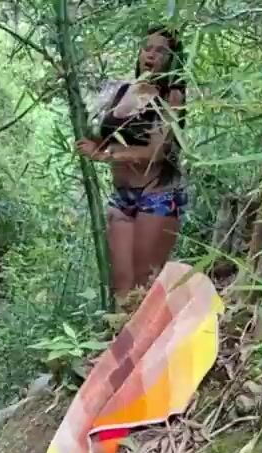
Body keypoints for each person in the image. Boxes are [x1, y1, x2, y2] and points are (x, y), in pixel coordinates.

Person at [76, 27, 187, 303]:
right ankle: (122, 332)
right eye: (147, 48)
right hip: (121, 196)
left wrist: (106, 155)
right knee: (121, 287)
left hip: (157, 195)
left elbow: (156, 152)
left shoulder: (171, 97)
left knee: (144, 287)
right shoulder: (123, 90)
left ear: (172, 59)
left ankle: (156, 332)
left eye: (160, 51)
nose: (151, 55)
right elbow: (101, 134)